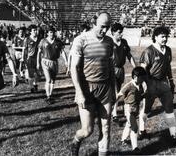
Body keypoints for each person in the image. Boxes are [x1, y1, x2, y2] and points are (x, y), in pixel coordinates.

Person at [69, 12, 115, 156]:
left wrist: (113, 90)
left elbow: (110, 66)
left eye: (107, 27)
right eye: (102, 27)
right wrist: (79, 92)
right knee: (87, 130)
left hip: (105, 88)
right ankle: (76, 141)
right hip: (87, 88)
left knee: (106, 127)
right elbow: (74, 68)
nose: (104, 30)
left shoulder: (109, 41)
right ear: (94, 23)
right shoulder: (81, 40)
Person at [139, 26, 176, 145]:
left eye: (166, 36)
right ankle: (142, 131)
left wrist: (171, 81)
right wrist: (144, 85)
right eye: (162, 36)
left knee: (169, 108)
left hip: (163, 83)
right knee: (146, 109)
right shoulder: (148, 51)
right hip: (151, 83)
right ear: (155, 37)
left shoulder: (168, 50)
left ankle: (173, 135)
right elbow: (142, 70)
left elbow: (168, 67)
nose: (165, 39)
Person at [117, 66, 147, 154]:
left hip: (135, 109)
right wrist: (111, 106)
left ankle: (124, 140)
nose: (143, 80)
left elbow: (141, 95)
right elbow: (119, 95)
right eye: (142, 78)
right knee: (134, 127)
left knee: (129, 124)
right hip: (128, 109)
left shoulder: (140, 85)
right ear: (135, 77)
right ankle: (135, 148)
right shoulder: (129, 85)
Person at [110, 23, 136, 121]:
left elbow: (129, 56)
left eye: (122, 32)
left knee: (118, 91)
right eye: (119, 33)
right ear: (113, 33)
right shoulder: (109, 43)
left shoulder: (124, 42)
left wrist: (135, 68)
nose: (121, 35)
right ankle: (114, 113)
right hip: (112, 69)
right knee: (116, 91)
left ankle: (113, 111)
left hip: (121, 70)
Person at [36, 26, 68, 104]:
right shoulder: (43, 41)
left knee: (53, 80)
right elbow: (39, 52)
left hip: (54, 62)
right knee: (48, 79)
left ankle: (50, 95)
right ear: (47, 33)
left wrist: (66, 61)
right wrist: (38, 63)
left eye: (53, 32)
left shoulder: (58, 41)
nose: (51, 34)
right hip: (45, 61)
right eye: (50, 32)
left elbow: (63, 52)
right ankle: (48, 96)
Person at [22, 24, 40, 92]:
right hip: (30, 58)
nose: (35, 32)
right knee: (31, 74)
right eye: (34, 30)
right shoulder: (27, 39)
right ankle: (31, 87)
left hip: (38, 58)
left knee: (38, 73)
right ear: (30, 31)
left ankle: (35, 84)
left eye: (36, 30)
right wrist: (23, 58)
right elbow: (24, 49)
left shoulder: (39, 38)